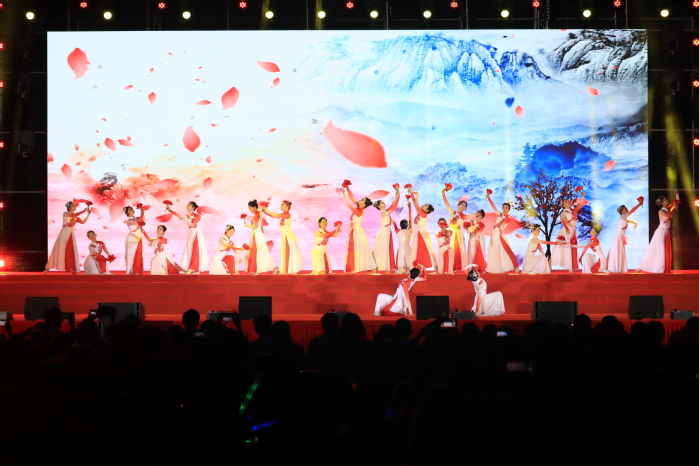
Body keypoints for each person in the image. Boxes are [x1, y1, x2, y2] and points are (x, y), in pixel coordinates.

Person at [636, 191, 680, 273]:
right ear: (662, 203)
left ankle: (663, 268)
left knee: (665, 250)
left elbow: (676, 202)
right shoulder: (661, 211)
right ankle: (642, 266)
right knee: (657, 250)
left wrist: (677, 194)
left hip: (666, 232)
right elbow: (667, 217)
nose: (667, 200)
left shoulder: (668, 209)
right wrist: (674, 209)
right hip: (661, 232)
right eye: (665, 200)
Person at [45, 200, 92, 274]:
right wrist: (84, 211)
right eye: (73, 205)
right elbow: (73, 215)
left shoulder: (76, 217)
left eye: (74, 205)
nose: (74, 206)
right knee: (59, 250)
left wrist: (88, 214)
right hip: (64, 233)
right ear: (69, 207)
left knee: (71, 251)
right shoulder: (65, 213)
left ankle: (73, 269)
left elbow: (83, 222)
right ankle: (48, 268)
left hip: (70, 233)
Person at [341, 182, 377, 273]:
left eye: (362, 200)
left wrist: (344, 195)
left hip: (356, 231)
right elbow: (352, 198)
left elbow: (350, 205)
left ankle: (359, 267)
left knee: (357, 249)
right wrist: (347, 188)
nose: (359, 200)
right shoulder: (358, 208)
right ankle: (356, 267)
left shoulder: (359, 211)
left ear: (364, 204)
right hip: (354, 230)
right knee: (356, 249)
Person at [261, 200, 303, 274]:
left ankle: (290, 270)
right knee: (286, 253)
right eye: (281, 205)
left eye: (283, 205)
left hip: (289, 236)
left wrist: (266, 210)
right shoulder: (282, 215)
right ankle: (287, 269)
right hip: (285, 236)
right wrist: (265, 211)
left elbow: (277, 215)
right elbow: (274, 215)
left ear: (287, 207)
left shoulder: (287, 215)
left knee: (289, 253)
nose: (281, 206)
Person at [167, 201, 209, 274]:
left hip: (197, 234)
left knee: (196, 251)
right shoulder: (186, 216)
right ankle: (195, 269)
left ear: (193, 207)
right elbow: (178, 215)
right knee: (190, 250)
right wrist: (169, 210)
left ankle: (192, 268)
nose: (187, 206)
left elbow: (193, 224)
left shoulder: (197, 216)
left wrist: (185, 219)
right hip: (191, 234)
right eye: (187, 205)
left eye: (189, 205)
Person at [550, 192, 587, 272]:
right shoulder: (565, 212)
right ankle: (552, 264)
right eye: (566, 202)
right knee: (563, 248)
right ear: (563, 205)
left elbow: (581, 205)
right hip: (566, 231)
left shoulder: (574, 211)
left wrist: (583, 196)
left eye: (568, 201)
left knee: (569, 248)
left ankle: (569, 266)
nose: (568, 202)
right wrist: (567, 229)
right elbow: (563, 221)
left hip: (572, 231)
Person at [606, 197, 644, 273]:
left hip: (620, 236)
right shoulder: (623, 216)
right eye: (625, 209)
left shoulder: (624, 218)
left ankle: (619, 268)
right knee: (617, 252)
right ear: (621, 211)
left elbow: (628, 221)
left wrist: (634, 222)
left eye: (626, 208)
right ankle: (614, 268)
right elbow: (632, 211)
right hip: (618, 236)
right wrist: (639, 204)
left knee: (619, 252)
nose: (627, 209)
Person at [485, 190, 518, 273]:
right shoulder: (499, 214)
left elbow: (503, 224)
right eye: (503, 208)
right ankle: (494, 269)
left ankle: (515, 266)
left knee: (506, 249)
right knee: (493, 249)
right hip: (494, 233)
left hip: (500, 233)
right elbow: (493, 206)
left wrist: (500, 229)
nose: (504, 209)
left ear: (509, 209)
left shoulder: (508, 217)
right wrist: (489, 198)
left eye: (506, 208)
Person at [406, 187, 437, 271]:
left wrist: (416, 195)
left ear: (427, 210)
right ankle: (418, 266)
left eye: (426, 206)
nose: (424, 205)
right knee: (418, 249)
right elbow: (415, 204)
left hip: (421, 234)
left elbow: (416, 205)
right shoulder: (420, 213)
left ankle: (429, 265)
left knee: (423, 249)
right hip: (418, 233)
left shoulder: (423, 214)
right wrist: (412, 194)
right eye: (425, 204)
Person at [243, 200, 277, 274]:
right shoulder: (258, 213)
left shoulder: (257, 214)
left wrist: (247, 225)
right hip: (257, 235)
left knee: (259, 252)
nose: (250, 210)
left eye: (250, 208)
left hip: (257, 235)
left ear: (254, 207)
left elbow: (255, 226)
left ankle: (258, 269)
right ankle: (256, 270)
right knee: (259, 252)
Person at [372, 185, 401, 272]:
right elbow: (393, 207)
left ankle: (384, 267)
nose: (383, 203)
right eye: (381, 203)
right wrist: (397, 194)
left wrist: (397, 193)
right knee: (381, 249)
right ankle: (376, 266)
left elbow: (393, 205)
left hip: (387, 231)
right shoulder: (383, 213)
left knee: (384, 249)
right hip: (384, 232)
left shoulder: (385, 212)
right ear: (379, 206)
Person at [441, 187, 471, 272]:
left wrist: (477, 214)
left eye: (464, 206)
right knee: (450, 250)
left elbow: (473, 215)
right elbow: (446, 204)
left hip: (457, 234)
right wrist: (443, 194)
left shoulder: (463, 216)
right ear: (458, 205)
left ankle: (458, 267)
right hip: (450, 233)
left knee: (457, 250)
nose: (463, 207)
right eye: (462, 205)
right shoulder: (452, 212)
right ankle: (450, 267)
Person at [124, 204, 146, 275]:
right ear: (127, 213)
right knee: (132, 255)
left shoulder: (136, 218)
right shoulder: (129, 221)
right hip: (132, 239)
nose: (132, 210)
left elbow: (142, 220)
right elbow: (139, 222)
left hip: (138, 238)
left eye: (132, 209)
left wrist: (142, 212)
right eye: (130, 210)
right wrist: (142, 212)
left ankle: (138, 271)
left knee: (139, 255)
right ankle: (133, 270)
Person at [395, 198, 413, 274]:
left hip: (402, 247)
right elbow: (410, 219)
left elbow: (393, 222)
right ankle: (407, 269)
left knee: (402, 260)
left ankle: (403, 269)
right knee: (408, 260)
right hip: (407, 247)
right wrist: (409, 207)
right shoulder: (409, 230)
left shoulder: (398, 231)